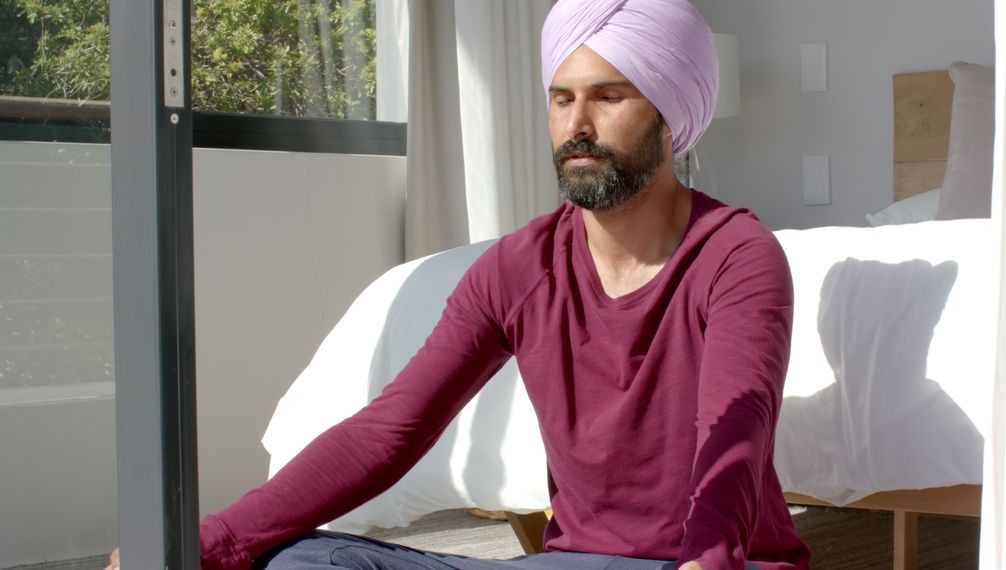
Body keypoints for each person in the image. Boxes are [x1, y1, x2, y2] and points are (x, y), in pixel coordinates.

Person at [107, 1, 810, 568]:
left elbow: (736, 435)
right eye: (561, 98)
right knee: (291, 560)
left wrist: (707, 561)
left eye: (608, 96)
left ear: (670, 112)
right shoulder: (518, 266)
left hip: (713, 561)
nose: (577, 126)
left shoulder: (737, 256)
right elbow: (388, 432)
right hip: (574, 562)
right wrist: (199, 547)